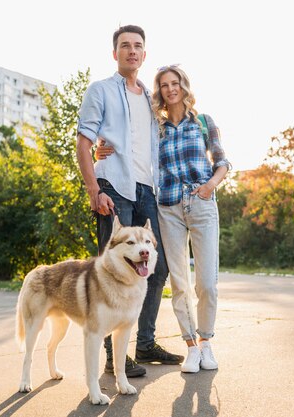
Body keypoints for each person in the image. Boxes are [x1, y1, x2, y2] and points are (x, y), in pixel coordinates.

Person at [97, 65, 231, 373]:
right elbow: (131, 147)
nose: (171, 88)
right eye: (164, 85)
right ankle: (191, 347)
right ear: (159, 91)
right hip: (168, 208)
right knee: (181, 282)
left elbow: (222, 161)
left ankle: (206, 341)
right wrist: (103, 148)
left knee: (207, 283)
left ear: (184, 86)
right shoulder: (155, 128)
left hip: (201, 205)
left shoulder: (203, 122)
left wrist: (210, 186)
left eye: (175, 83)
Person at [75, 25, 184, 378]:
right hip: (113, 186)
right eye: (125, 46)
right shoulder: (101, 91)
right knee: (111, 271)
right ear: (115, 53)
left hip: (146, 190)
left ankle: (145, 342)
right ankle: (113, 357)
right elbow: (84, 144)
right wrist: (94, 190)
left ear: (144, 54)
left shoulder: (152, 103)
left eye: (138, 46)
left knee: (158, 266)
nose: (132, 51)